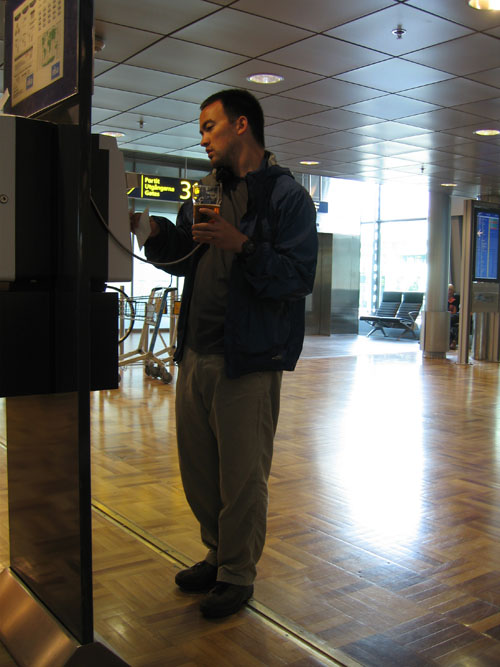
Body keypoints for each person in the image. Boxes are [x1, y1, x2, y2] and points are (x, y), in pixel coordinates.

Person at [130, 89, 318, 618]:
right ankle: (217, 555)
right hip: (195, 352)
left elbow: (298, 278)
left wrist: (244, 245)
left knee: (242, 477)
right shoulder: (206, 191)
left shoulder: (285, 197)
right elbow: (184, 257)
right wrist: (151, 231)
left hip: (248, 360)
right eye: (200, 129)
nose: (203, 138)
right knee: (200, 471)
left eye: (209, 126)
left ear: (241, 125)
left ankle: (237, 573)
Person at [448, 283, 460, 350]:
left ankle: (452, 342)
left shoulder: (457, 299)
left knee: (448, 320)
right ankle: (452, 342)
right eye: (448, 290)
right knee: (452, 326)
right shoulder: (443, 300)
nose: (449, 292)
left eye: (451, 290)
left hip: (456, 316)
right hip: (448, 317)